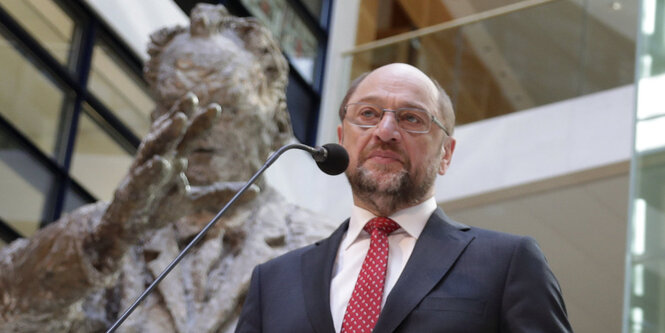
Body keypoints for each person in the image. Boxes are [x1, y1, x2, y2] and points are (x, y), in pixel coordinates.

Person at [0, 4, 333, 332]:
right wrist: (107, 238)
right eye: (178, 106)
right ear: (155, 120)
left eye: (224, 108)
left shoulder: (322, 249)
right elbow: (9, 309)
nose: (198, 126)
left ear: (276, 126)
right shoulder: (105, 238)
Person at [235, 63, 573, 332]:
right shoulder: (273, 281)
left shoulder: (509, 263)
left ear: (446, 154)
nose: (385, 132)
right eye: (368, 114)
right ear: (342, 138)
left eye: (411, 118)